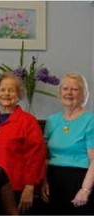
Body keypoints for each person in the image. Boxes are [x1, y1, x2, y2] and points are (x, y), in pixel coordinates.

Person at [0, 73, 46, 214]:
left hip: (16, 189)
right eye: (2, 89)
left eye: (11, 90)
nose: (6, 93)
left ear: (19, 94)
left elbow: (36, 156)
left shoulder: (28, 121)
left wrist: (29, 187)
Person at [42, 73, 94, 215]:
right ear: (60, 93)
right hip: (54, 180)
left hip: (80, 180)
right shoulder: (52, 120)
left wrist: (85, 190)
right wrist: (44, 181)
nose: (69, 93)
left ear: (83, 94)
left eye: (75, 89)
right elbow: (44, 156)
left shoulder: (90, 120)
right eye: (65, 89)